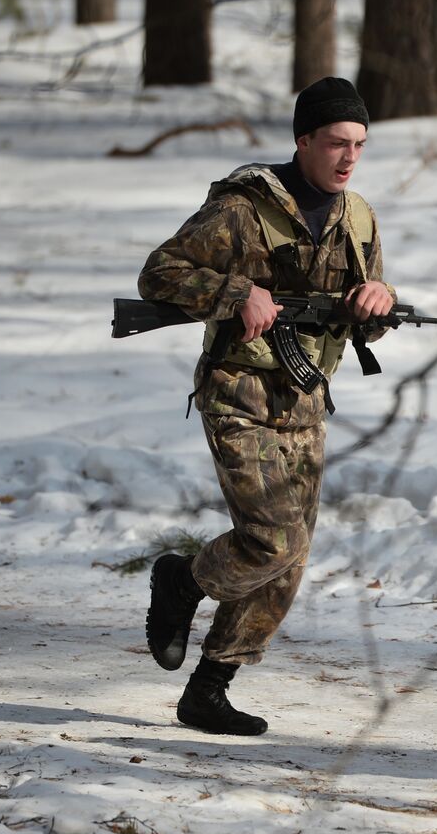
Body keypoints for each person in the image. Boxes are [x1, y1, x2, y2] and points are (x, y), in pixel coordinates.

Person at [136, 78, 394, 736]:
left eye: (359, 144)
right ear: (303, 140)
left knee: (290, 558)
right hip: (239, 389)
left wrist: (378, 302)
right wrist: (235, 293)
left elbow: (362, 315)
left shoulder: (358, 219)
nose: (349, 157)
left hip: (304, 399)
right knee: (272, 540)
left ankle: (208, 690)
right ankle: (180, 582)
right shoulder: (242, 208)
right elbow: (159, 273)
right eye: (336, 142)